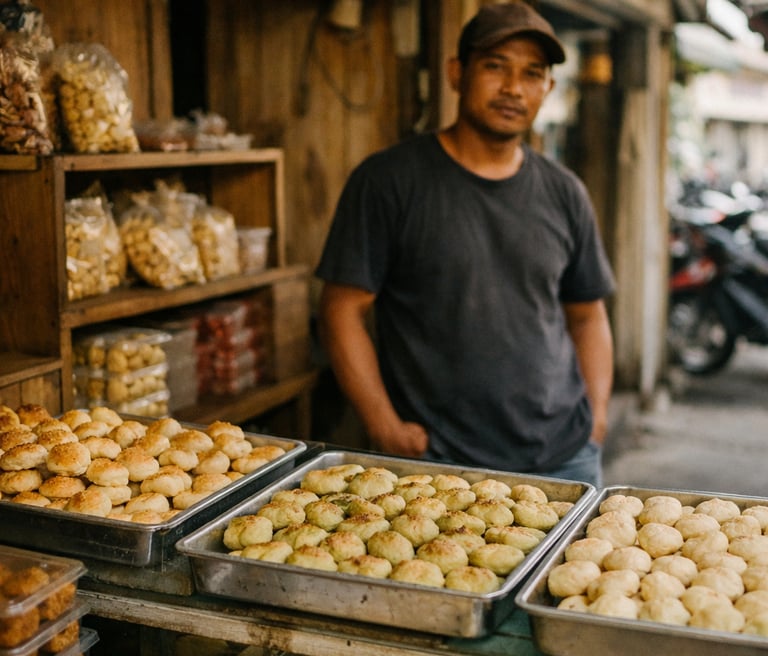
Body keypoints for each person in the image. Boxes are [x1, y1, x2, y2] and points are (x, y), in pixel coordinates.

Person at [315, 1, 615, 487]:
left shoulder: (565, 192)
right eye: (495, 66)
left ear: (548, 88)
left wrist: (596, 421)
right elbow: (341, 310)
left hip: (565, 458)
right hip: (439, 465)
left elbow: (588, 315)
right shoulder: (389, 181)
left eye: (532, 73)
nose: (513, 88)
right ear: (457, 73)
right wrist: (383, 426)